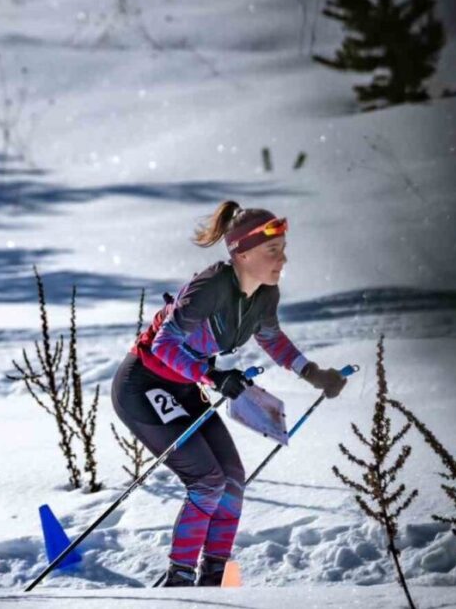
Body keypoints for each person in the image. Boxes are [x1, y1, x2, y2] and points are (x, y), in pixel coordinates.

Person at [110, 200, 347, 587]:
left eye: (283, 249)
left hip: (186, 383)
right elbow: (164, 345)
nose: (282, 259)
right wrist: (211, 376)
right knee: (206, 480)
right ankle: (179, 580)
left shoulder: (265, 293)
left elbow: (271, 337)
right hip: (144, 385)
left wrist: (313, 373)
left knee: (232, 477)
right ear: (242, 252)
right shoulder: (212, 286)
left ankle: (215, 576)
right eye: (273, 250)